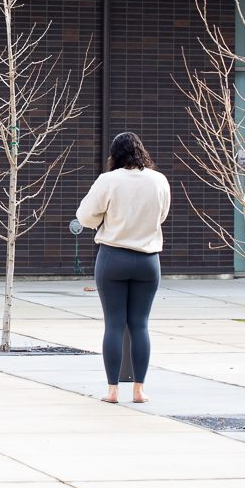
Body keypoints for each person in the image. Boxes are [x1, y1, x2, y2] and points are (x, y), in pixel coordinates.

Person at [75, 132, 171, 404]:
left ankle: (113, 391)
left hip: (113, 258)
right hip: (148, 259)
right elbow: (161, 216)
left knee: (114, 325)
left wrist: (106, 218)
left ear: (114, 154)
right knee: (140, 325)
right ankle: (139, 390)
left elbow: (84, 216)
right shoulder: (159, 180)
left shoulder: (109, 180)